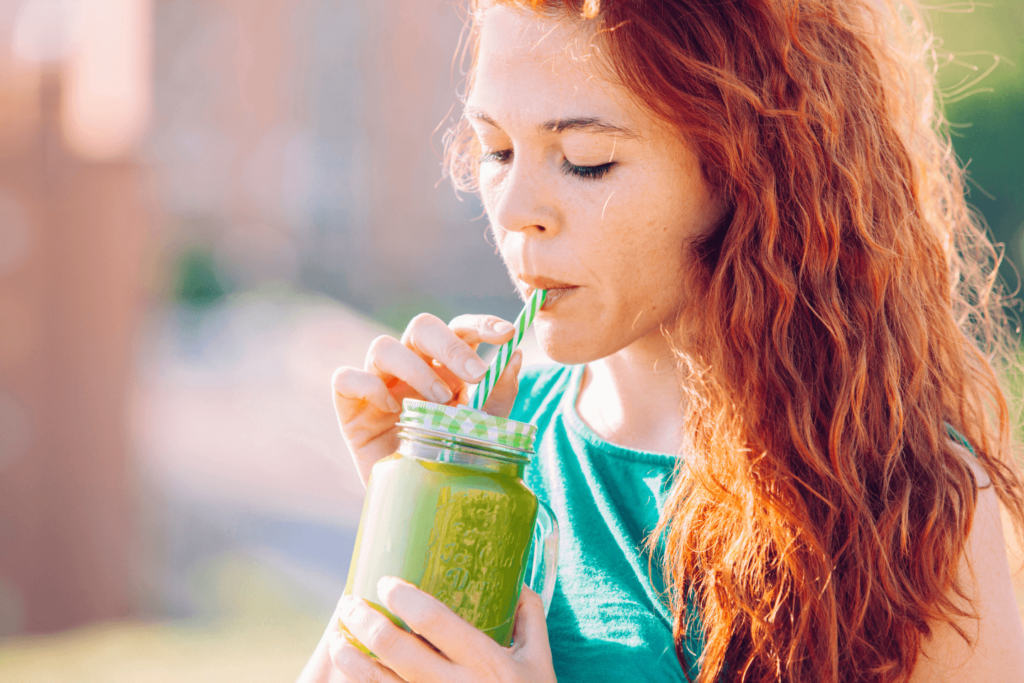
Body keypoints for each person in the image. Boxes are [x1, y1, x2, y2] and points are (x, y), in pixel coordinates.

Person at [298, 0, 1024, 681]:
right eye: (496, 150)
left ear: (746, 164)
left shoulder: (913, 504)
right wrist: (418, 516)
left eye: (584, 157)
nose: (516, 210)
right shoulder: (500, 445)